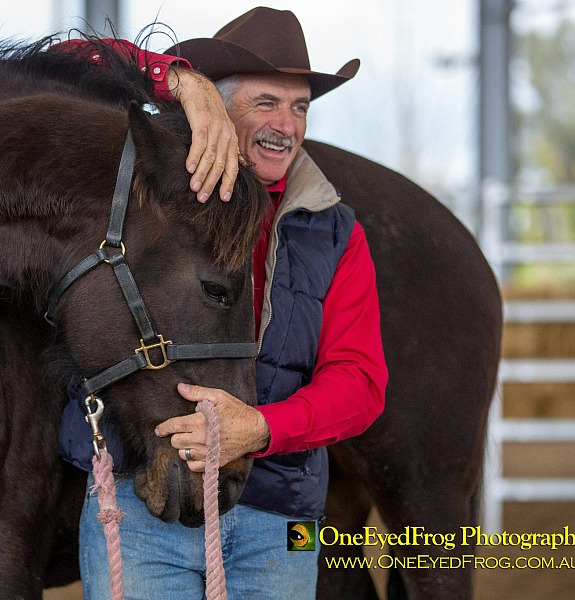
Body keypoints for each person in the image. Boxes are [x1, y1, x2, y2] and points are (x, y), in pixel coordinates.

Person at [59, 8, 387, 599]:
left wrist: (261, 428)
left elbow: (360, 382)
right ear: (216, 107)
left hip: (282, 518)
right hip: (135, 513)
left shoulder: (337, 232)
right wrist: (179, 80)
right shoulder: (144, 199)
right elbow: (64, 59)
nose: (286, 125)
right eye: (266, 102)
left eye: (300, 107)